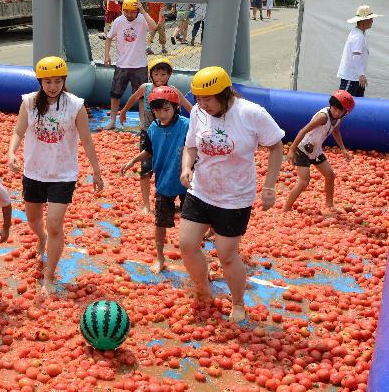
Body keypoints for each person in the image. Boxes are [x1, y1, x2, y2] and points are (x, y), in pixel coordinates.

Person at [179, 66, 284, 322]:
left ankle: (237, 302)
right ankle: (203, 288)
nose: (203, 104)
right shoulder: (197, 113)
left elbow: (276, 146)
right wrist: (186, 167)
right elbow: (190, 147)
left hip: (234, 198)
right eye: (199, 99)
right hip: (202, 190)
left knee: (226, 255)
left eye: (209, 98)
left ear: (225, 93)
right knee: (187, 245)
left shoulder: (251, 113)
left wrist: (270, 186)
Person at [7, 56, 104, 294]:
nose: (53, 86)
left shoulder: (75, 105)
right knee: (33, 220)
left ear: (64, 80)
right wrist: (11, 152)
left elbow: (87, 141)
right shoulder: (29, 102)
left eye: (57, 81)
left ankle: (49, 277)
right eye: (48, 81)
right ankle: (41, 238)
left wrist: (97, 171)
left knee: (55, 225)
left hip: (63, 174)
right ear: (40, 81)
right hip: (34, 170)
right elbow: (19, 130)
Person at [121, 86, 190, 273]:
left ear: (176, 107)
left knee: (192, 226)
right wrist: (132, 161)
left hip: (189, 184)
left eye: (166, 109)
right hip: (164, 183)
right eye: (158, 110)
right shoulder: (153, 128)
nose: (162, 114)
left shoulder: (187, 125)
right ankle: (160, 258)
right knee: (160, 223)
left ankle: (194, 258)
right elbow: (149, 151)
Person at [118, 57, 193, 213]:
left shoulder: (173, 91)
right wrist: (124, 110)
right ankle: (147, 204)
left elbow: (188, 106)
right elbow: (133, 98)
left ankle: (179, 199)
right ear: (150, 75)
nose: (160, 78)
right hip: (150, 133)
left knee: (175, 165)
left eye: (163, 74)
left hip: (172, 135)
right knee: (145, 168)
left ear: (169, 75)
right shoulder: (145, 88)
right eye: (156, 74)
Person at [284, 90, 354, 214]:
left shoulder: (337, 119)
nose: (337, 112)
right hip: (302, 150)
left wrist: (343, 149)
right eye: (335, 108)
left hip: (315, 151)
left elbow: (336, 131)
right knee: (304, 181)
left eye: (340, 111)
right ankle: (286, 209)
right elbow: (303, 131)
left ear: (345, 113)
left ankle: (329, 205)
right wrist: (292, 149)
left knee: (330, 175)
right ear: (331, 105)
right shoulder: (323, 117)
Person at [103, 0, 158, 130]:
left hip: (139, 64)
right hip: (122, 64)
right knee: (115, 94)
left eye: (132, 12)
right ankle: (112, 121)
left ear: (137, 11)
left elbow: (154, 26)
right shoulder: (119, 21)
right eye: (126, 11)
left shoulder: (142, 19)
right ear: (123, 10)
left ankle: (142, 121)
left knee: (141, 96)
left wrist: (143, 11)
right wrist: (107, 55)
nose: (129, 15)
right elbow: (109, 37)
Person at [337, 5, 381, 97]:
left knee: (355, 104)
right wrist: (361, 74)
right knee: (342, 104)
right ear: (364, 21)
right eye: (370, 19)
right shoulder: (358, 36)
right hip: (352, 77)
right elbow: (356, 56)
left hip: (355, 78)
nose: (372, 21)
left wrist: (361, 75)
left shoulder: (359, 34)